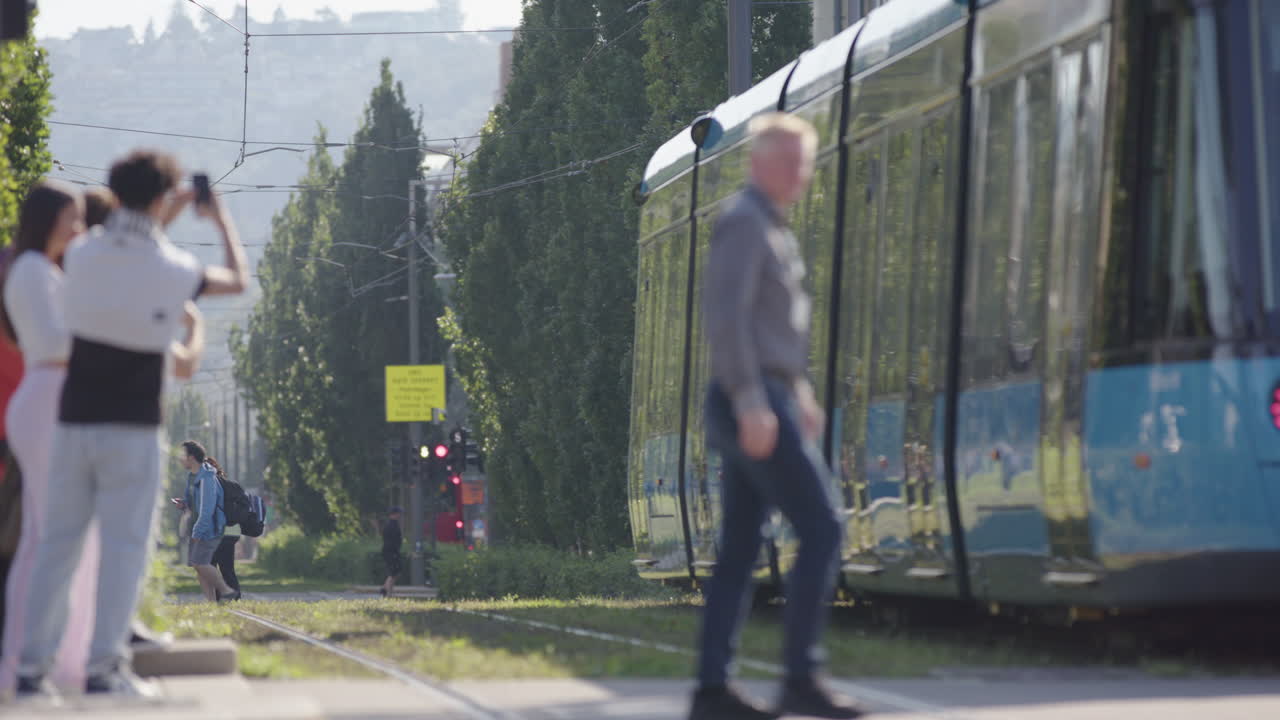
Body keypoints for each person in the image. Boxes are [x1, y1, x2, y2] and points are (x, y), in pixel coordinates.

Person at [13, 149, 248, 700]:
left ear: (113, 197)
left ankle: (31, 669)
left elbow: (129, 241)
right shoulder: (171, 269)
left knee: (58, 546)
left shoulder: (84, 254)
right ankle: (104, 668)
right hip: (133, 428)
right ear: (164, 200)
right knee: (123, 547)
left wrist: (160, 209)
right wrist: (217, 218)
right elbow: (236, 279)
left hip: (73, 421)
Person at [688, 113, 863, 720]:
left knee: (739, 546)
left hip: (768, 394)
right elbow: (727, 317)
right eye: (789, 161)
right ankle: (800, 679)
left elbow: (769, 327)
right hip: (751, 398)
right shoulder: (744, 222)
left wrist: (801, 393)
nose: (799, 174)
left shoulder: (770, 227)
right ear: (758, 163)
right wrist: (751, 399)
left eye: (804, 163)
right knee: (821, 525)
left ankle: (713, 692)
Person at [0, 182, 101, 697]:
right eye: (72, 219)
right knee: (50, 538)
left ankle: (49, 657)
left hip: (53, 404)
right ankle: (26, 659)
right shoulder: (34, 271)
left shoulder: (42, 271)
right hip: (47, 406)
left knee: (54, 536)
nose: (79, 228)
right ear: (48, 222)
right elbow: (60, 343)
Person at [174, 443, 238, 604]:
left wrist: (197, 532)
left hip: (209, 529)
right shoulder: (192, 477)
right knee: (199, 566)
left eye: (183, 456)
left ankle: (226, 590)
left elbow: (207, 510)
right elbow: (193, 502)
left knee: (199, 563)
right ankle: (211, 602)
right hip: (198, 527)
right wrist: (184, 503)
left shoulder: (207, 478)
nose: (180, 460)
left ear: (191, 457)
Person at [205, 457, 241, 595]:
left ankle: (219, 597)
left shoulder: (209, 486)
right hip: (232, 531)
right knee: (227, 568)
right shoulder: (232, 485)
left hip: (215, 532)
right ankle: (234, 595)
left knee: (211, 566)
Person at [380, 507, 403, 598]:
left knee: (396, 572)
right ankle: (388, 594)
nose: (400, 515)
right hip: (391, 551)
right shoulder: (391, 525)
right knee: (393, 572)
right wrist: (394, 551)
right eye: (398, 513)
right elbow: (392, 540)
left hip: (392, 551)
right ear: (393, 514)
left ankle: (384, 589)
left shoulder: (392, 524)